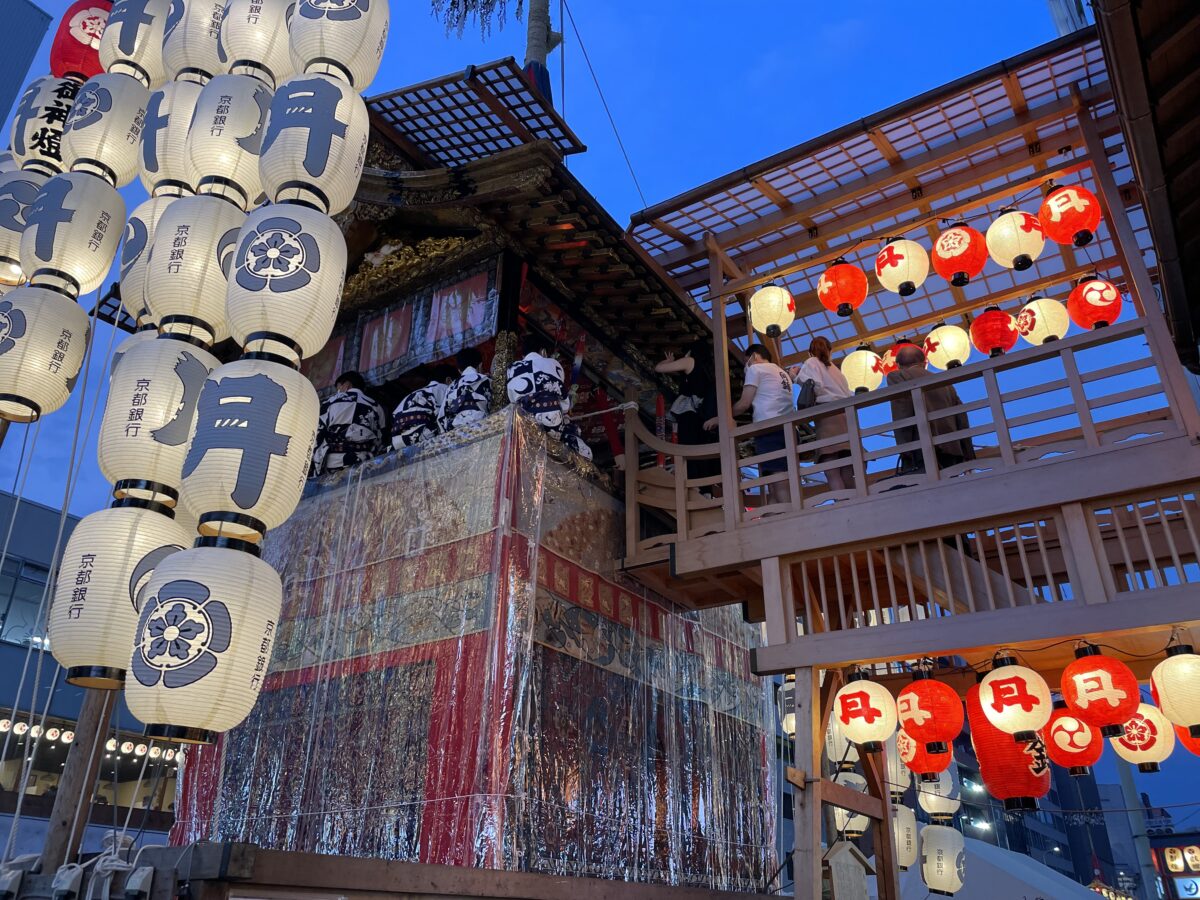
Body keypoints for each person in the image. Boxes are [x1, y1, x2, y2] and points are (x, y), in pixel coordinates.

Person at [705, 343, 795, 505]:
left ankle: (791, 513)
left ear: (754, 356)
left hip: (768, 427)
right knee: (775, 478)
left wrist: (718, 419)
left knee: (776, 474)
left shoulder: (756, 369)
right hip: (787, 428)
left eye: (747, 361)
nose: (746, 366)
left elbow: (744, 404)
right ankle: (773, 518)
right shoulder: (783, 373)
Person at [887, 344, 975, 475]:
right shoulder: (945, 383)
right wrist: (968, 454)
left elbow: (902, 409)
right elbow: (961, 417)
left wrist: (905, 448)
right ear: (924, 363)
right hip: (952, 448)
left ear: (898, 365)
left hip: (921, 447)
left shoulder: (897, 376)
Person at [507, 334, 593, 460]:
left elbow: (512, 399)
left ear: (523, 355)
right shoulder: (553, 364)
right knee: (572, 431)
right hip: (552, 423)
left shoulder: (512, 368)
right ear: (543, 351)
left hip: (525, 422)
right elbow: (564, 402)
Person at [791, 336, 854, 491]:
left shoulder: (811, 362)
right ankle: (855, 499)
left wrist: (795, 377)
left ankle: (841, 503)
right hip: (846, 416)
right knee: (847, 466)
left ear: (809, 352)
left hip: (828, 417)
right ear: (830, 350)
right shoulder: (836, 369)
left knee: (831, 467)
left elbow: (814, 386)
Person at [656, 339, 719, 486]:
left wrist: (668, 361)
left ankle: (692, 486)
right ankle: (704, 489)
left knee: (687, 449)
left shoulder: (690, 361)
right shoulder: (708, 371)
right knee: (699, 453)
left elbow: (658, 368)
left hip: (689, 413)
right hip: (702, 416)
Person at [312, 371, 387, 476]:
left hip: (332, 465)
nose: (338, 392)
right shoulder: (376, 406)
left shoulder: (330, 403)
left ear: (347, 384)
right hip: (365, 465)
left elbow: (316, 433)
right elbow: (381, 439)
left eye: (339, 388)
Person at [392, 365, 456, 449]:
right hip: (424, 438)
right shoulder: (444, 388)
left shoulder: (409, 396)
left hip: (398, 443)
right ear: (449, 380)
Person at [442, 346, 492, 431]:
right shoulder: (486, 380)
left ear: (459, 370)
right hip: (483, 427)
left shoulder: (451, 387)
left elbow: (444, 416)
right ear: (480, 365)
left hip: (457, 432)